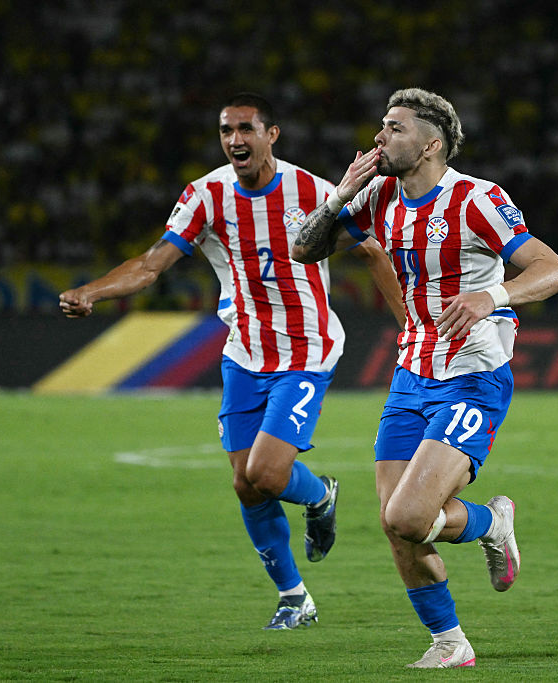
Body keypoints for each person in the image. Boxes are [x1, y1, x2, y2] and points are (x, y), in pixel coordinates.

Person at [59, 92, 405, 631]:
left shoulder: (311, 190)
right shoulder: (205, 196)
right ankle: (295, 598)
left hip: (305, 350)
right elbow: (152, 265)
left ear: (272, 134)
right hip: (243, 353)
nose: (235, 140)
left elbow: (372, 252)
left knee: (266, 472)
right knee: (246, 484)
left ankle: (318, 494)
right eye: (226, 131)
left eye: (246, 128)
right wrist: (94, 291)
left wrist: (409, 326)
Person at [291, 88, 558, 668]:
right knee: (397, 527)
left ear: (430, 145)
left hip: (473, 376)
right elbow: (304, 248)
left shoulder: (477, 200)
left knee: (408, 516)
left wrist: (491, 295)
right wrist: (341, 194)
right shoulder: (378, 197)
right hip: (412, 372)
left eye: (394, 128)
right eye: (381, 126)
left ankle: (492, 523)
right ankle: (450, 640)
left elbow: (554, 270)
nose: (379, 138)